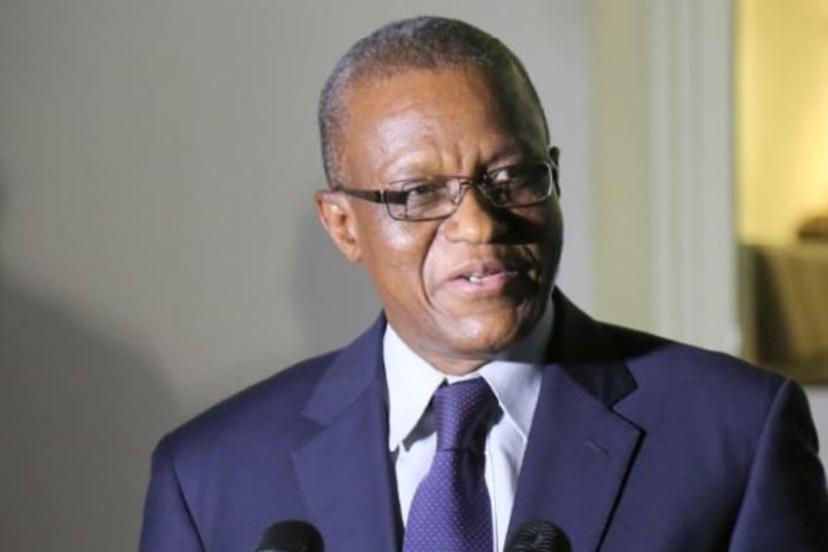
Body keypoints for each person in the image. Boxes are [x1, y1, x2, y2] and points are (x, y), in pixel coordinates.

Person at [138, 16, 828, 552]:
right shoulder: (210, 476)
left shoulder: (735, 434)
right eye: (418, 192)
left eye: (513, 178)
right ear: (343, 225)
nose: (479, 224)